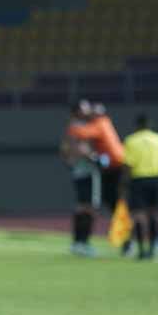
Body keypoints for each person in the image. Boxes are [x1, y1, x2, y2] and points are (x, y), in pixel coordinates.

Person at [122, 113, 158, 259]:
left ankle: (141, 249)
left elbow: (127, 165)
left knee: (138, 216)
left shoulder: (131, 140)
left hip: (138, 180)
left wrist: (123, 185)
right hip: (156, 180)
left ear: (137, 125)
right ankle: (152, 247)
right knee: (153, 215)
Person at [68, 100, 125, 218]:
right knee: (110, 198)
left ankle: (122, 227)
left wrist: (73, 126)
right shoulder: (104, 122)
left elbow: (81, 133)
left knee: (111, 199)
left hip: (114, 165)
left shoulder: (100, 123)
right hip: (112, 165)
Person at [60, 103, 99, 256]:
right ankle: (83, 242)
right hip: (87, 171)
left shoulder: (74, 127)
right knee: (88, 208)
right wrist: (94, 157)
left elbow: (64, 149)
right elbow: (78, 149)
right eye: (85, 108)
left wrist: (70, 160)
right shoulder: (82, 128)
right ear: (77, 112)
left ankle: (78, 242)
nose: (88, 110)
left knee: (83, 207)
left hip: (79, 171)